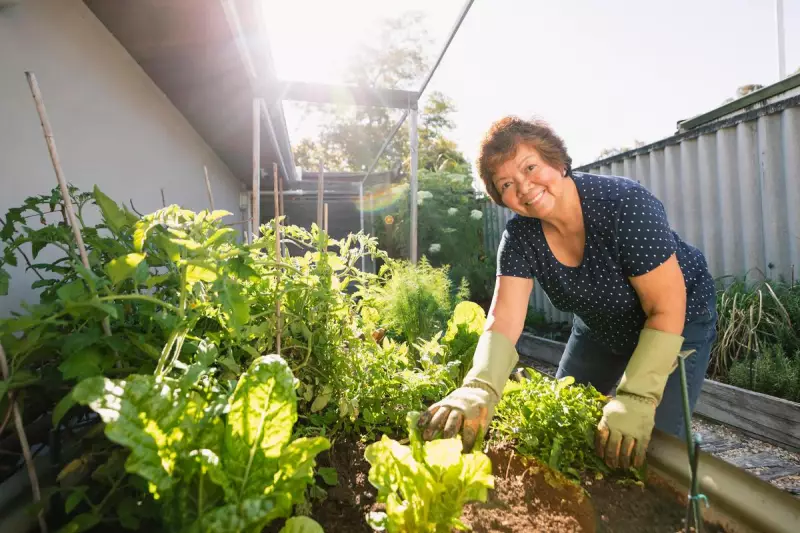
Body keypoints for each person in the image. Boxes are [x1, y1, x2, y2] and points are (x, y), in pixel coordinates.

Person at [417, 116, 717, 470]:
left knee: (650, 447)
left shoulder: (625, 206)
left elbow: (665, 306)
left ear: (557, 163)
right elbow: (504, 320)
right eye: (507, 184)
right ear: (501, 198)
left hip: (677, 321)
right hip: (600, 324)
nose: (524, 187)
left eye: (530, 167)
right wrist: (479, 388)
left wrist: (637, 396)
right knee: (561, 419)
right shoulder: (519, 239)